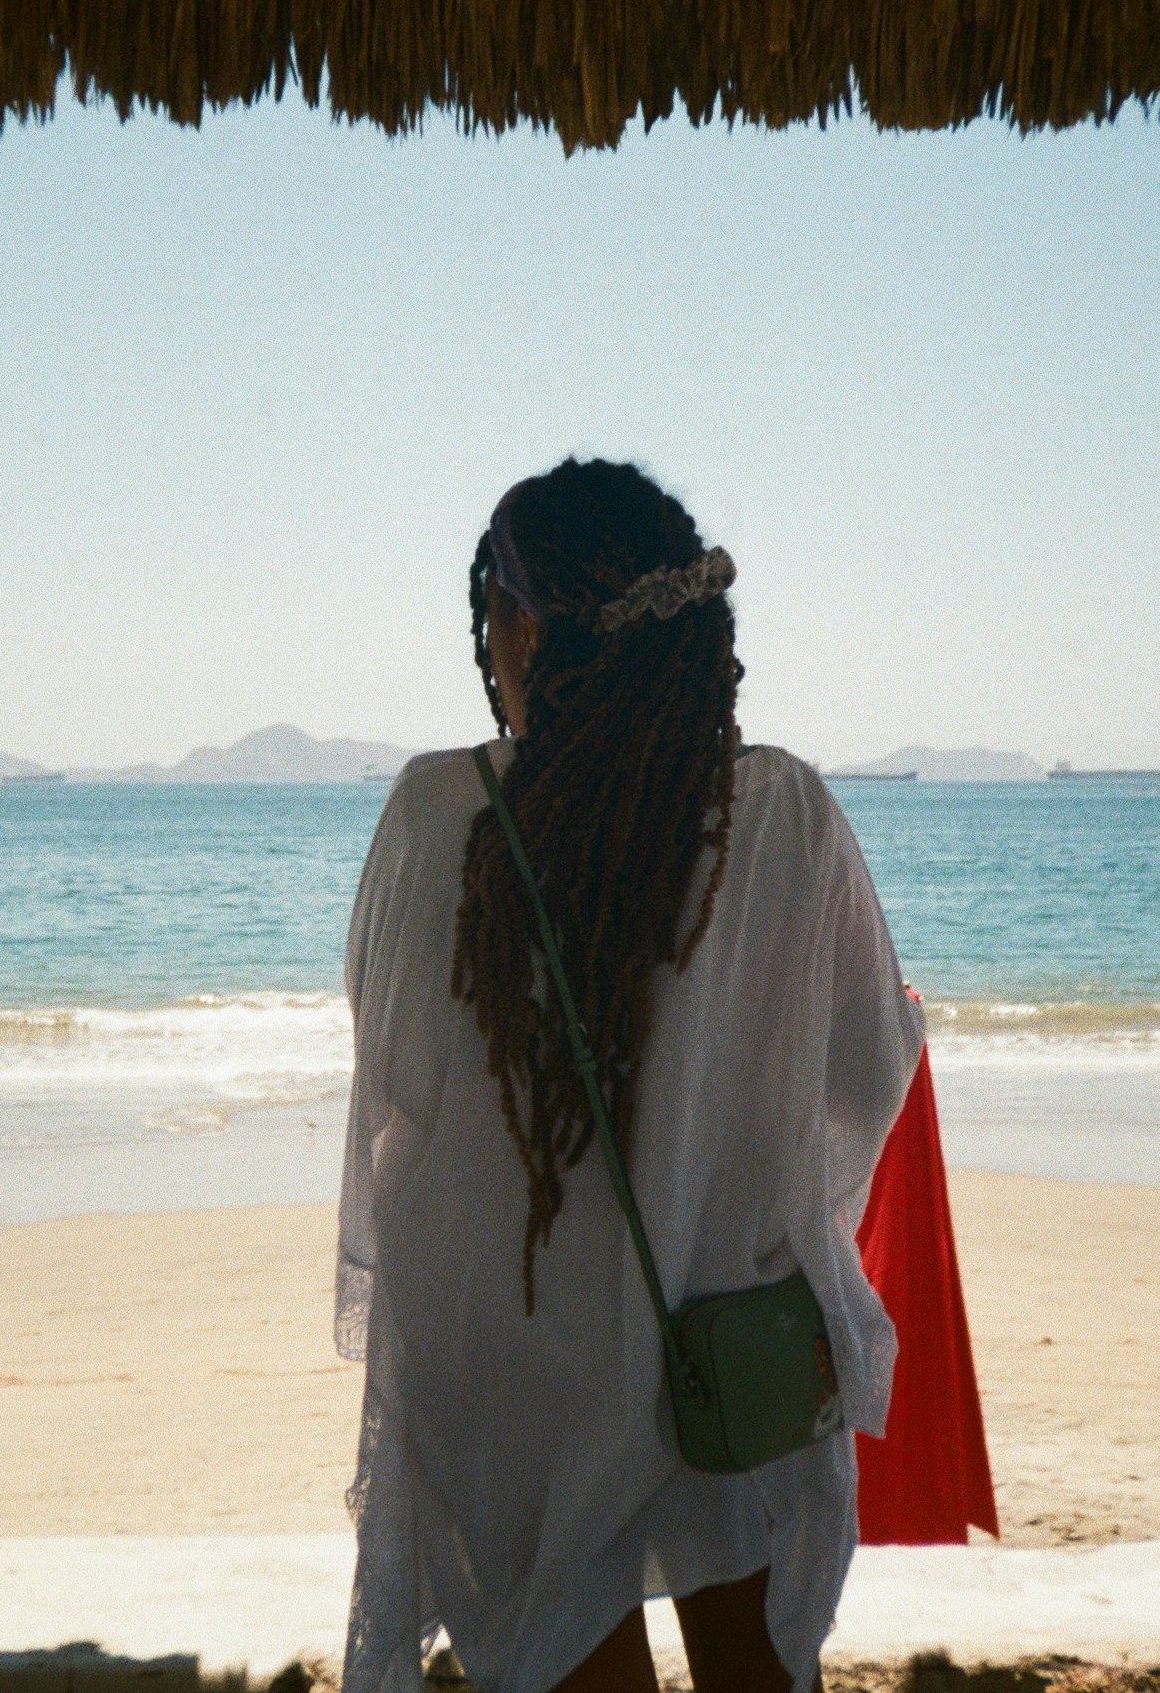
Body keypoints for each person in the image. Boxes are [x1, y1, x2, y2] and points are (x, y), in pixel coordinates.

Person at [336, 458, 925, 1693]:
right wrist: (748, 1185)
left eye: (492, 607)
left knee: (571, 1661)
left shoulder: (441, 815)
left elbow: (396, 1078)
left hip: (521, 1353)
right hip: (730, 1341)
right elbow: (871, 1065)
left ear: (526, 623)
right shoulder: (784, 814)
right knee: (751, 1667)